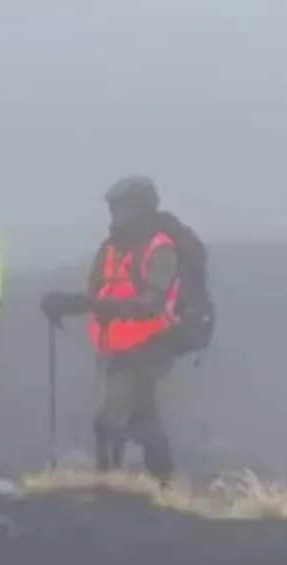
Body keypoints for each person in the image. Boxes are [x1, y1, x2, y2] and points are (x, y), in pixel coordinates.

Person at [39, 175, 180, 483]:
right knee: (144, 419)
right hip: (114, 346)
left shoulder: (160, 249)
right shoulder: (110, 249)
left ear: (142, 209)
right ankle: (163, 484)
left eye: (124, 209)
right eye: (115, 210)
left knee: (108, 419)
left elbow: (151, 303)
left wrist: (94, 306)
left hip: (149, 345)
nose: (117, 216)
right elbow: (96, 294)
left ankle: (107, 485)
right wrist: (65, 304)